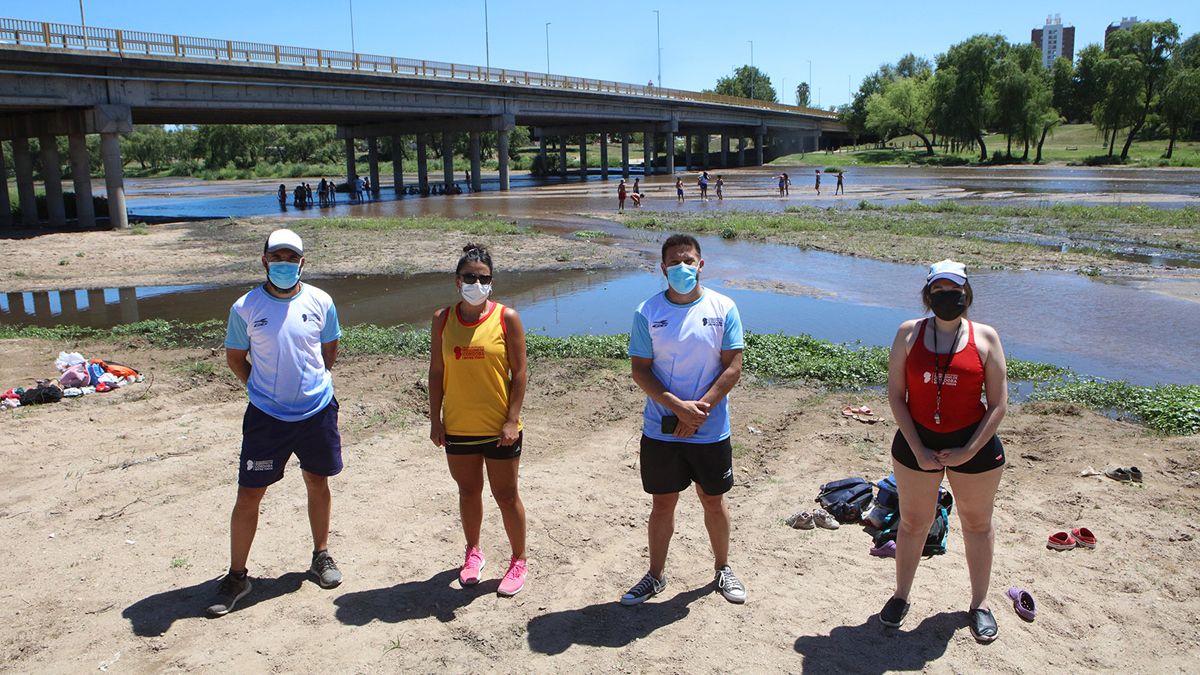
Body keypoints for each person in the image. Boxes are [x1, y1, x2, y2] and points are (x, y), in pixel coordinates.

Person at [209, 228, 344, 617]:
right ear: (264, 261)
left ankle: (321, 555)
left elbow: (328, 351)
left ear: (302, 263)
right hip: (267, 418)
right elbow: (236, 358)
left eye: (291, 258)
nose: (284, 264)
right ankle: (237, 576)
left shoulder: (321, 301)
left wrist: (309, 384)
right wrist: (262, 389)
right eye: (277, 257)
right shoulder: (245, 308)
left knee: (317, 481)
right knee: (249, 494)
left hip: (316, 411)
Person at [880, 259, 1008, 643]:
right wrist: (918, 448)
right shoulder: (908, 334)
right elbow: (896, 396)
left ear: (966, 293)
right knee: (912, 523)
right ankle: (900, 596)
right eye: (938, 290)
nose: (946, 296)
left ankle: (980, 604)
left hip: (975, 446)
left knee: (977, 524)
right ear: (928, 294)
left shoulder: (986, 338)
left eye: (954, 289)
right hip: (916, 443)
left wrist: (968, 451)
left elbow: (998, 405)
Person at [621, 233, 747, 606]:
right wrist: (678, 408)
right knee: (662, 503)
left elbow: (733, 367)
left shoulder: (725, 307)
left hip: (710, 430)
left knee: (713, 500)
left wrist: (697, 412)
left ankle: (723, 567)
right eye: (674, 262)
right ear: (663, 269)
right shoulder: (647, 312)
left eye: (688, 261)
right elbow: (641, 370)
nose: (681, 268)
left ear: (700, 264)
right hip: (661, 431)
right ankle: (655, 575)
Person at [429, 244, 530, 597]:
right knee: (468, 492)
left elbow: (520, 373)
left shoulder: (507, 318)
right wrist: (435, 420)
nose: (476, 283)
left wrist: (511, 420)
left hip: (500, 429)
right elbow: (437, 371)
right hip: (458, 426)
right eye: (469, 277)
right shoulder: (442, 319)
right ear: (457, 281)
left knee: (506, 495)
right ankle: (473, 552)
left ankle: (519, 559)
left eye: (483, 278)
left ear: (492, 282)